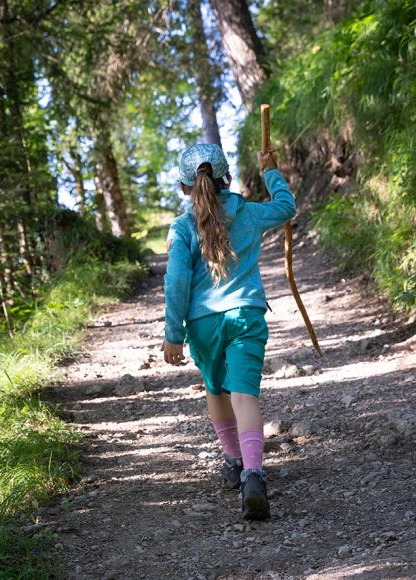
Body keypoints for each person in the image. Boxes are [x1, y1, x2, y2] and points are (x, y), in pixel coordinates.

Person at [162, 143, 295, 520]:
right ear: (228, 180)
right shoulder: (249, 214)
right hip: (245, 316)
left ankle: (233, 461)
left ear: (184, 187)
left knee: (216, 389)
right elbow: (286, 207)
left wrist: (174, 332)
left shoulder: (182, 227)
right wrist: (270, 171)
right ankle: (254, 475)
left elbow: (177, 281)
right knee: (245, 395)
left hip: (203, 325)